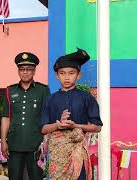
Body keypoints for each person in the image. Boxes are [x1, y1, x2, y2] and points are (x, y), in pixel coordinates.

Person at [41, 48, 103, 179]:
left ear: (78, 75)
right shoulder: (50, 100)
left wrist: (76, 126)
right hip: (57, 154)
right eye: (62, 73)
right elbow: (43, 129)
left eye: (71, 73)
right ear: (57, 76)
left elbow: (97, 127)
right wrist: (58, 125)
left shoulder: (87, 98)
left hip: (78, 152)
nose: (67, 77)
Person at [0, 52, 50, 180]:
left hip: (35, 144)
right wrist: (3, 141)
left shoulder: (43, 90)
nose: (25, 72)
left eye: (29, 69)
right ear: (18, 71)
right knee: (14, 177)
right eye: (22, 69)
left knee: (36, 177)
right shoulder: (10, 90)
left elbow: (46, 118)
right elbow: (6, 117)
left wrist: (45, 141)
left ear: (34, 71)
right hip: (14, 144)